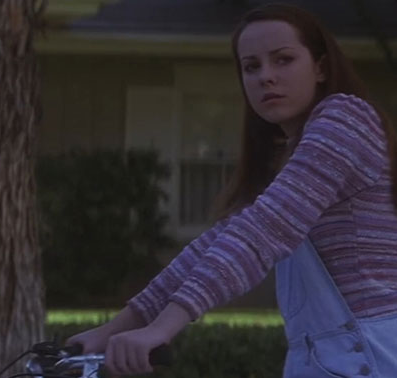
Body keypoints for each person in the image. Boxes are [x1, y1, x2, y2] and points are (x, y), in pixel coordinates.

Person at [67, 4, 397, 377]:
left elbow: (266, 230)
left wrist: (162, 329)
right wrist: (112, 330)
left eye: (283, 59)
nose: (266, 77)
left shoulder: (345, 119)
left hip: (372, 354)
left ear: (320, 67)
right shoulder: (290, 159)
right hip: (326, 358)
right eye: (251, 66)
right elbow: (217, 243)